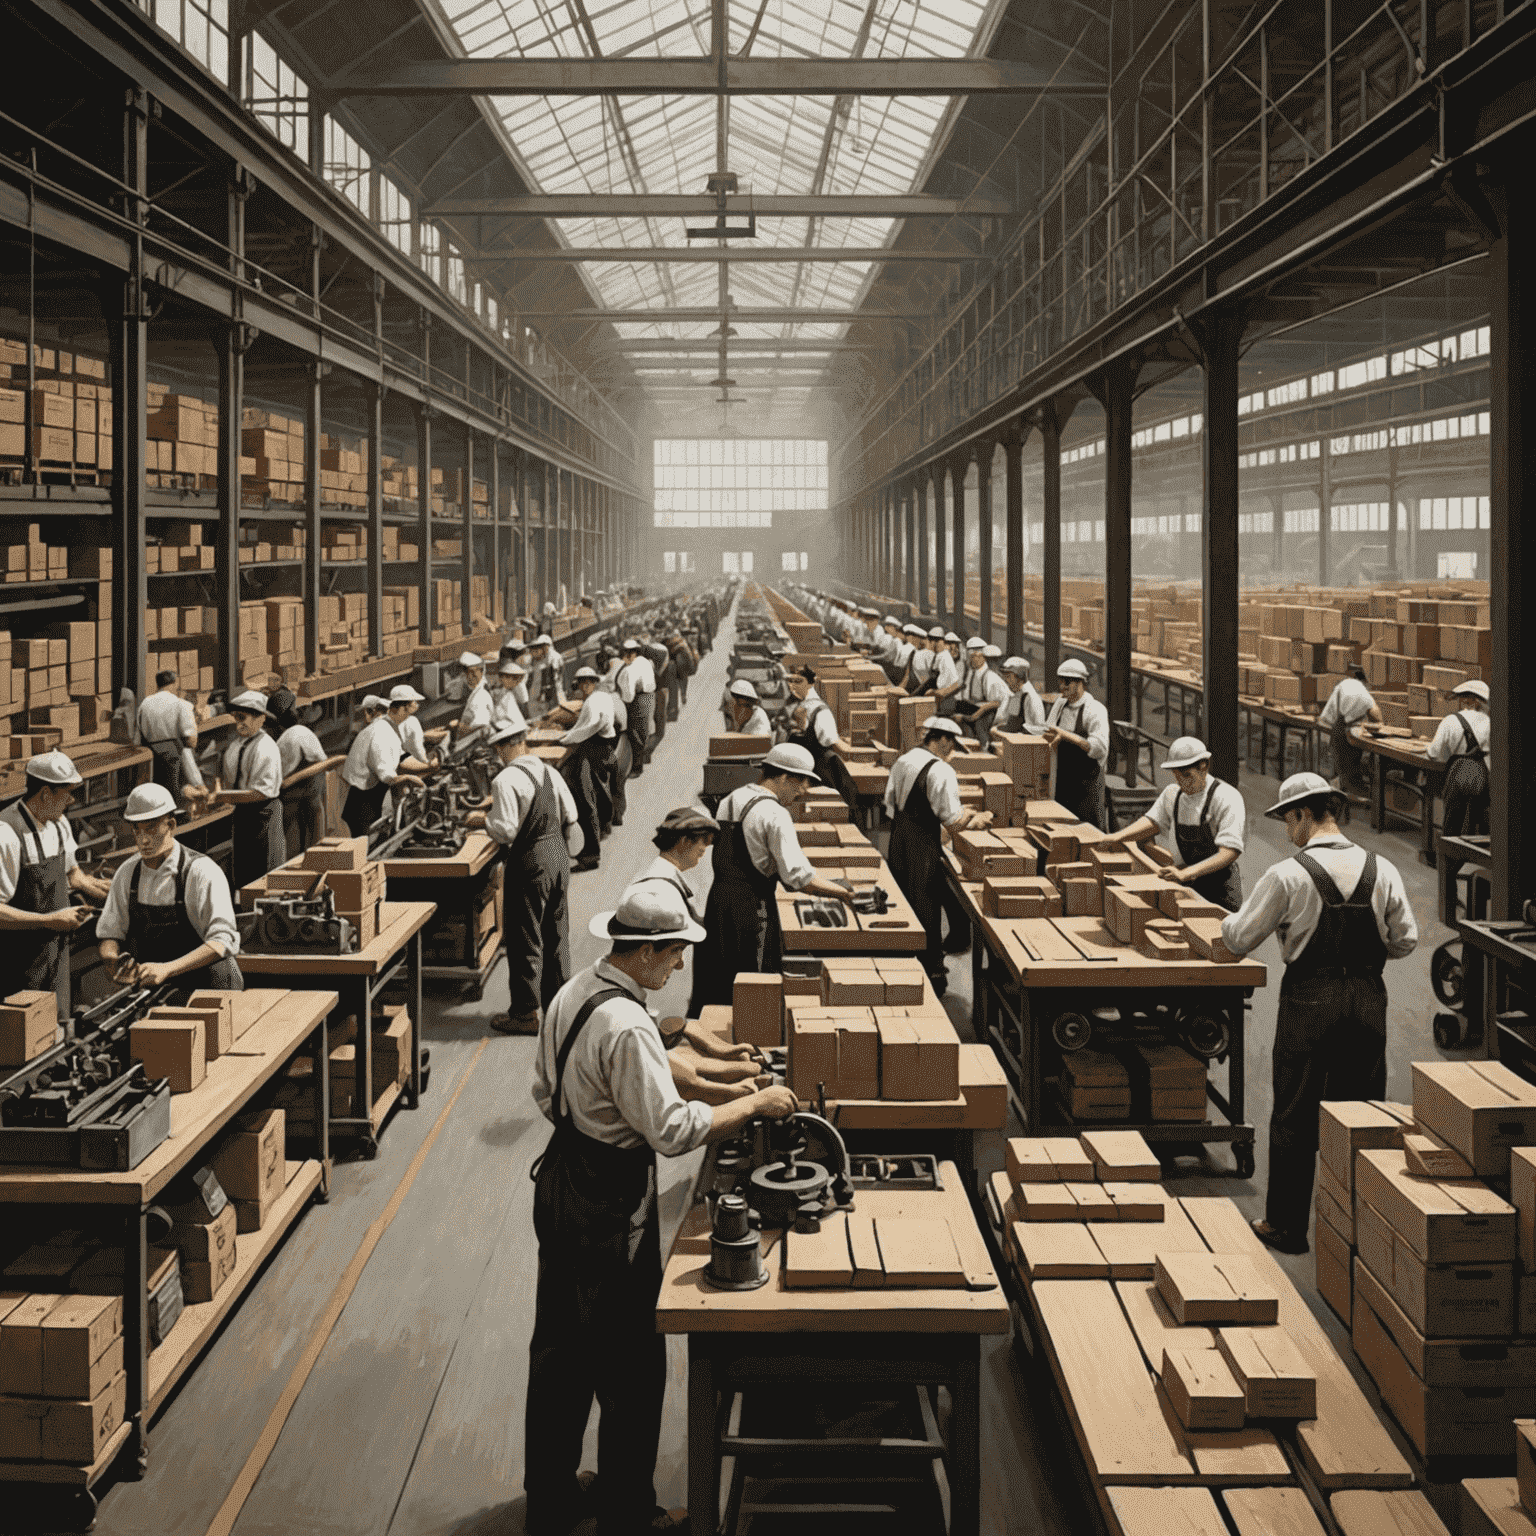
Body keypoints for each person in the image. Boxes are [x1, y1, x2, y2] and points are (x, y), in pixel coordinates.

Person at [524, 885, 799, 1536]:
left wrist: (719, 1080)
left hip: (562, 1179)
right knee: (631, 1365)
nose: (678, 967)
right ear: (646, 950)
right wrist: (753, 1106)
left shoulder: (581, 992)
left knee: (560, 1353)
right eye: (674, 954)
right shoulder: (624, 1022)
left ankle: (553, 1498)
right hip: (608, 1203)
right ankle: (626, 1511)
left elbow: (560, 1086)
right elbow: (672, 1130)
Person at [1219, 772, 1417, 1254]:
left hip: (1310, 1000)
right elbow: (1406, 940)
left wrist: (1224, 920)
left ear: (1304, 815)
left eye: (1289, 821)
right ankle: (1361, 1232)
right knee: (1363, 1114)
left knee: (1295, 1112)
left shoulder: (1288, 874)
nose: (1288, 833)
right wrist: (1363, 962)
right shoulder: (1383, 868)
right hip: (1368, 999)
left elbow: (1240, 938)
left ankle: (1286, 1227)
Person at [689, 744, 857, 1012]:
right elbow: (798, 877)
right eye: (801, 782)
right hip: (752, 910)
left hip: (719, 902)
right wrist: (843, 893)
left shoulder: (732, 798)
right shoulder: (775, 814)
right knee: (754, 983)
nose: (803, 791)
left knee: (718, 974)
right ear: (782, 777)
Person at [472, 719, 580, 1035]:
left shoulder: (505, 780)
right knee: (557, 936)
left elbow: (505, 830)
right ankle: (560, 1010)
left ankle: (524, 1014)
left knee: (525, 939)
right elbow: (570, 816)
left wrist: (482, 820)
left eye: (497, 750)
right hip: (559, 858)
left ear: (504, 747)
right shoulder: (549, 772)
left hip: (530, 863)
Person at [97, 783, 244, 996]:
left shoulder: (200, 872)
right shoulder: (127, 873)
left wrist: (167, 968)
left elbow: (223, 941)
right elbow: (110, 932)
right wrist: (112, 959)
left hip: (208, 987)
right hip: (159, 989)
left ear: (172, 825)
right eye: (137, 830)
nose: (143, 840)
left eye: (151, 829)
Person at [0, 751, 112, 1020]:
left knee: (58, 1023)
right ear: (46, 795)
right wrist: (49, 919)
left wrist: (105, 889)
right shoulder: (7, 834)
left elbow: (73, 876)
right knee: (24, 1032)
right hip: (17, 961)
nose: (72, 800)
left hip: (55, 952)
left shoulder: (59, 824)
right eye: (67, 793)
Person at [885, 718, 994, 994]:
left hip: (898, 841)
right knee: (926, 909)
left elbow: (890, 806)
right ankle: (932, 976)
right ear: (943, 739)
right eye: (952, 745)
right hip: (922, 847)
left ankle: (903, 968)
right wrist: (974, 817)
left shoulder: (904, 760)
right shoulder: (941, 770)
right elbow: (953, 822)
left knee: (905, 905)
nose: (951, 751)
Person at [1102, 736, 1246, 910]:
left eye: (1187, 776)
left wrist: (1186, 873)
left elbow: (1229, 852)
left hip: (1220, 888)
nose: (1182, 783)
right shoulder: (1173, 794)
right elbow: (1152, 822)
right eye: (1178, 776)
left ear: (1204, 766)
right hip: (1187, 882)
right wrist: (1117, 837)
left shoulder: (1226, 797)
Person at [206, 691, 285, 889]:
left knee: (264, 872)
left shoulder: (266, 748)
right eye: (236, 719)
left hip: (263, 814)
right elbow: (226, 777)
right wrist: (215, 787)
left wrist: (222, 796)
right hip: (242, 814)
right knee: (242, 871)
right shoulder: (236, 745)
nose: (238, 724)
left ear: (261, 718)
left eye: (243, 718)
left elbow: (261, 793)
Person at [340, 696, 432, 838]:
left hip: (371, 796)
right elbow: (386, 773)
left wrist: (428, 765)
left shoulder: (386, 729)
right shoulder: (380, 731)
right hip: (364, 801)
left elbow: (401, 760)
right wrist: (410, 776)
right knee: (365, 841)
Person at [559, 666, 619, 872]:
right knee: (601, 792)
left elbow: (589, 727)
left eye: (588, 682)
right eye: (582, 682)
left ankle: (590, 855)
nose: (585, 686)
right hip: (605, 749)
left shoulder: (592, 702)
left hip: (593, 749)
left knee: (585, 801)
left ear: (593, 682)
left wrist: (565, 739)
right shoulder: (603, 696)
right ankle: (604, 826)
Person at [1427, 679, 1490, 861]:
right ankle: (1474, 859)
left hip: (1459, 773)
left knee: (1452, 820)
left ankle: (1448, 862)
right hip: (1481, 775)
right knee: (1477, 820)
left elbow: (1433, 753)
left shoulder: (1450, 721)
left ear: (1468, 701)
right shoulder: (1490, 722)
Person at [622, 806, 719, 924]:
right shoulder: (662, 887)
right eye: (704, 840)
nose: (705, 848)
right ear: (685, 840)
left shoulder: (663, 875)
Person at [1043, 658, 1109, 828]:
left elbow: (1099, 748)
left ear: (1080, 683)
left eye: (1067, 682)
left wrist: (1065, 735)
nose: (1062, 686)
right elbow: (1048, 729)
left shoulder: (1094, 709)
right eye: (1060, 681)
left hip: (1086, 783)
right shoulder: (1060, 703)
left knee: (1088, 829)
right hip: (1062, 779)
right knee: (1062, 827)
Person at [270, 688, 330, 856]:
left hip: (296, 791)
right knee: (313, 838)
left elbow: (280, 777)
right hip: (308, 788)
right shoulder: (302, 732)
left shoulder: (286, 738)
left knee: (291, 842)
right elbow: (322, 761)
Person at [783, 667, 852, 800]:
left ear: (810, 683)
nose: (793, 686)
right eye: (791, 681)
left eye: (798, 681)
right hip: (799, 772)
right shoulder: (797, 706)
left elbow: (832, 742)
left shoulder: (820, 711)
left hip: (817, 776)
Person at [1319, 667, 1382, 798]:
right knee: (1351, 767)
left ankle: (1344, 795)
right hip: (1352, 730)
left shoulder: (1343, 685)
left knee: (1343, 767)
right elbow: (1376, 715)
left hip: (1342, 728)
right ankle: (1355, 795)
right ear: (1364, 681)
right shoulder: (1364, 691)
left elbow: (1326, 718)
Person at [137, 672, 198, 800]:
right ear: (174, 683)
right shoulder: (180, 704)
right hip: (173, 753)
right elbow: (191, 739)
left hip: (150, 754)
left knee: (157, 794)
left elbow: (138, 734)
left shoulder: (145, 703)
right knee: (176, 792)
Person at [954, 638, 1010, 748]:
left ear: (983, 657)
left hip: (994, 715)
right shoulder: (973, 673)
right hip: (981, 708)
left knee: (970, 720)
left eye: (974, 656)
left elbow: (994, 704)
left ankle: (982, 746)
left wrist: (972, 716)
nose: (971, 660)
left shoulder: (990, 677)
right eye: (970, 657)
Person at [616, 638, 656, 781]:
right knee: (646, 730)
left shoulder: (630, 669)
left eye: (626, 653)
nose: (625, 656)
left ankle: (636, 768)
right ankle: (646, 758)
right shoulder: (644, 661)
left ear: (630, 653)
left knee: (635, 734)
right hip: (650, 697)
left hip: (639, 701)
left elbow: (628, 697)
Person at [995, 656, 1046, 733]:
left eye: (1008, 676)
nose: (1005, 679)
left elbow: (1041, 729)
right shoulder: (1014, 694)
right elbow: (1007, 720)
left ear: (1020, 676)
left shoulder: (1031, 697)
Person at [454, 652, 493, 752]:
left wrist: (454, 730)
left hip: (473, 747)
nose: (469, 677)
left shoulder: (480, 697)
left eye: (473, 673)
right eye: (468, 673)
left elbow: (479, 725)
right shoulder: (478, 691)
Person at [493, 659, 530, 735]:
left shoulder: (509, 693)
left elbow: (524, 699)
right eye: (514, 678)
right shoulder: (501, 693)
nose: (516, 682)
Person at [931, 630, 964, 716]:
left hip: (955, 699)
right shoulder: (944, 660)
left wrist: (940, 693)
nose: (954, 649)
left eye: (956, 646)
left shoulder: (960, 664)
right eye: (949, 645)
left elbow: (957, 684)